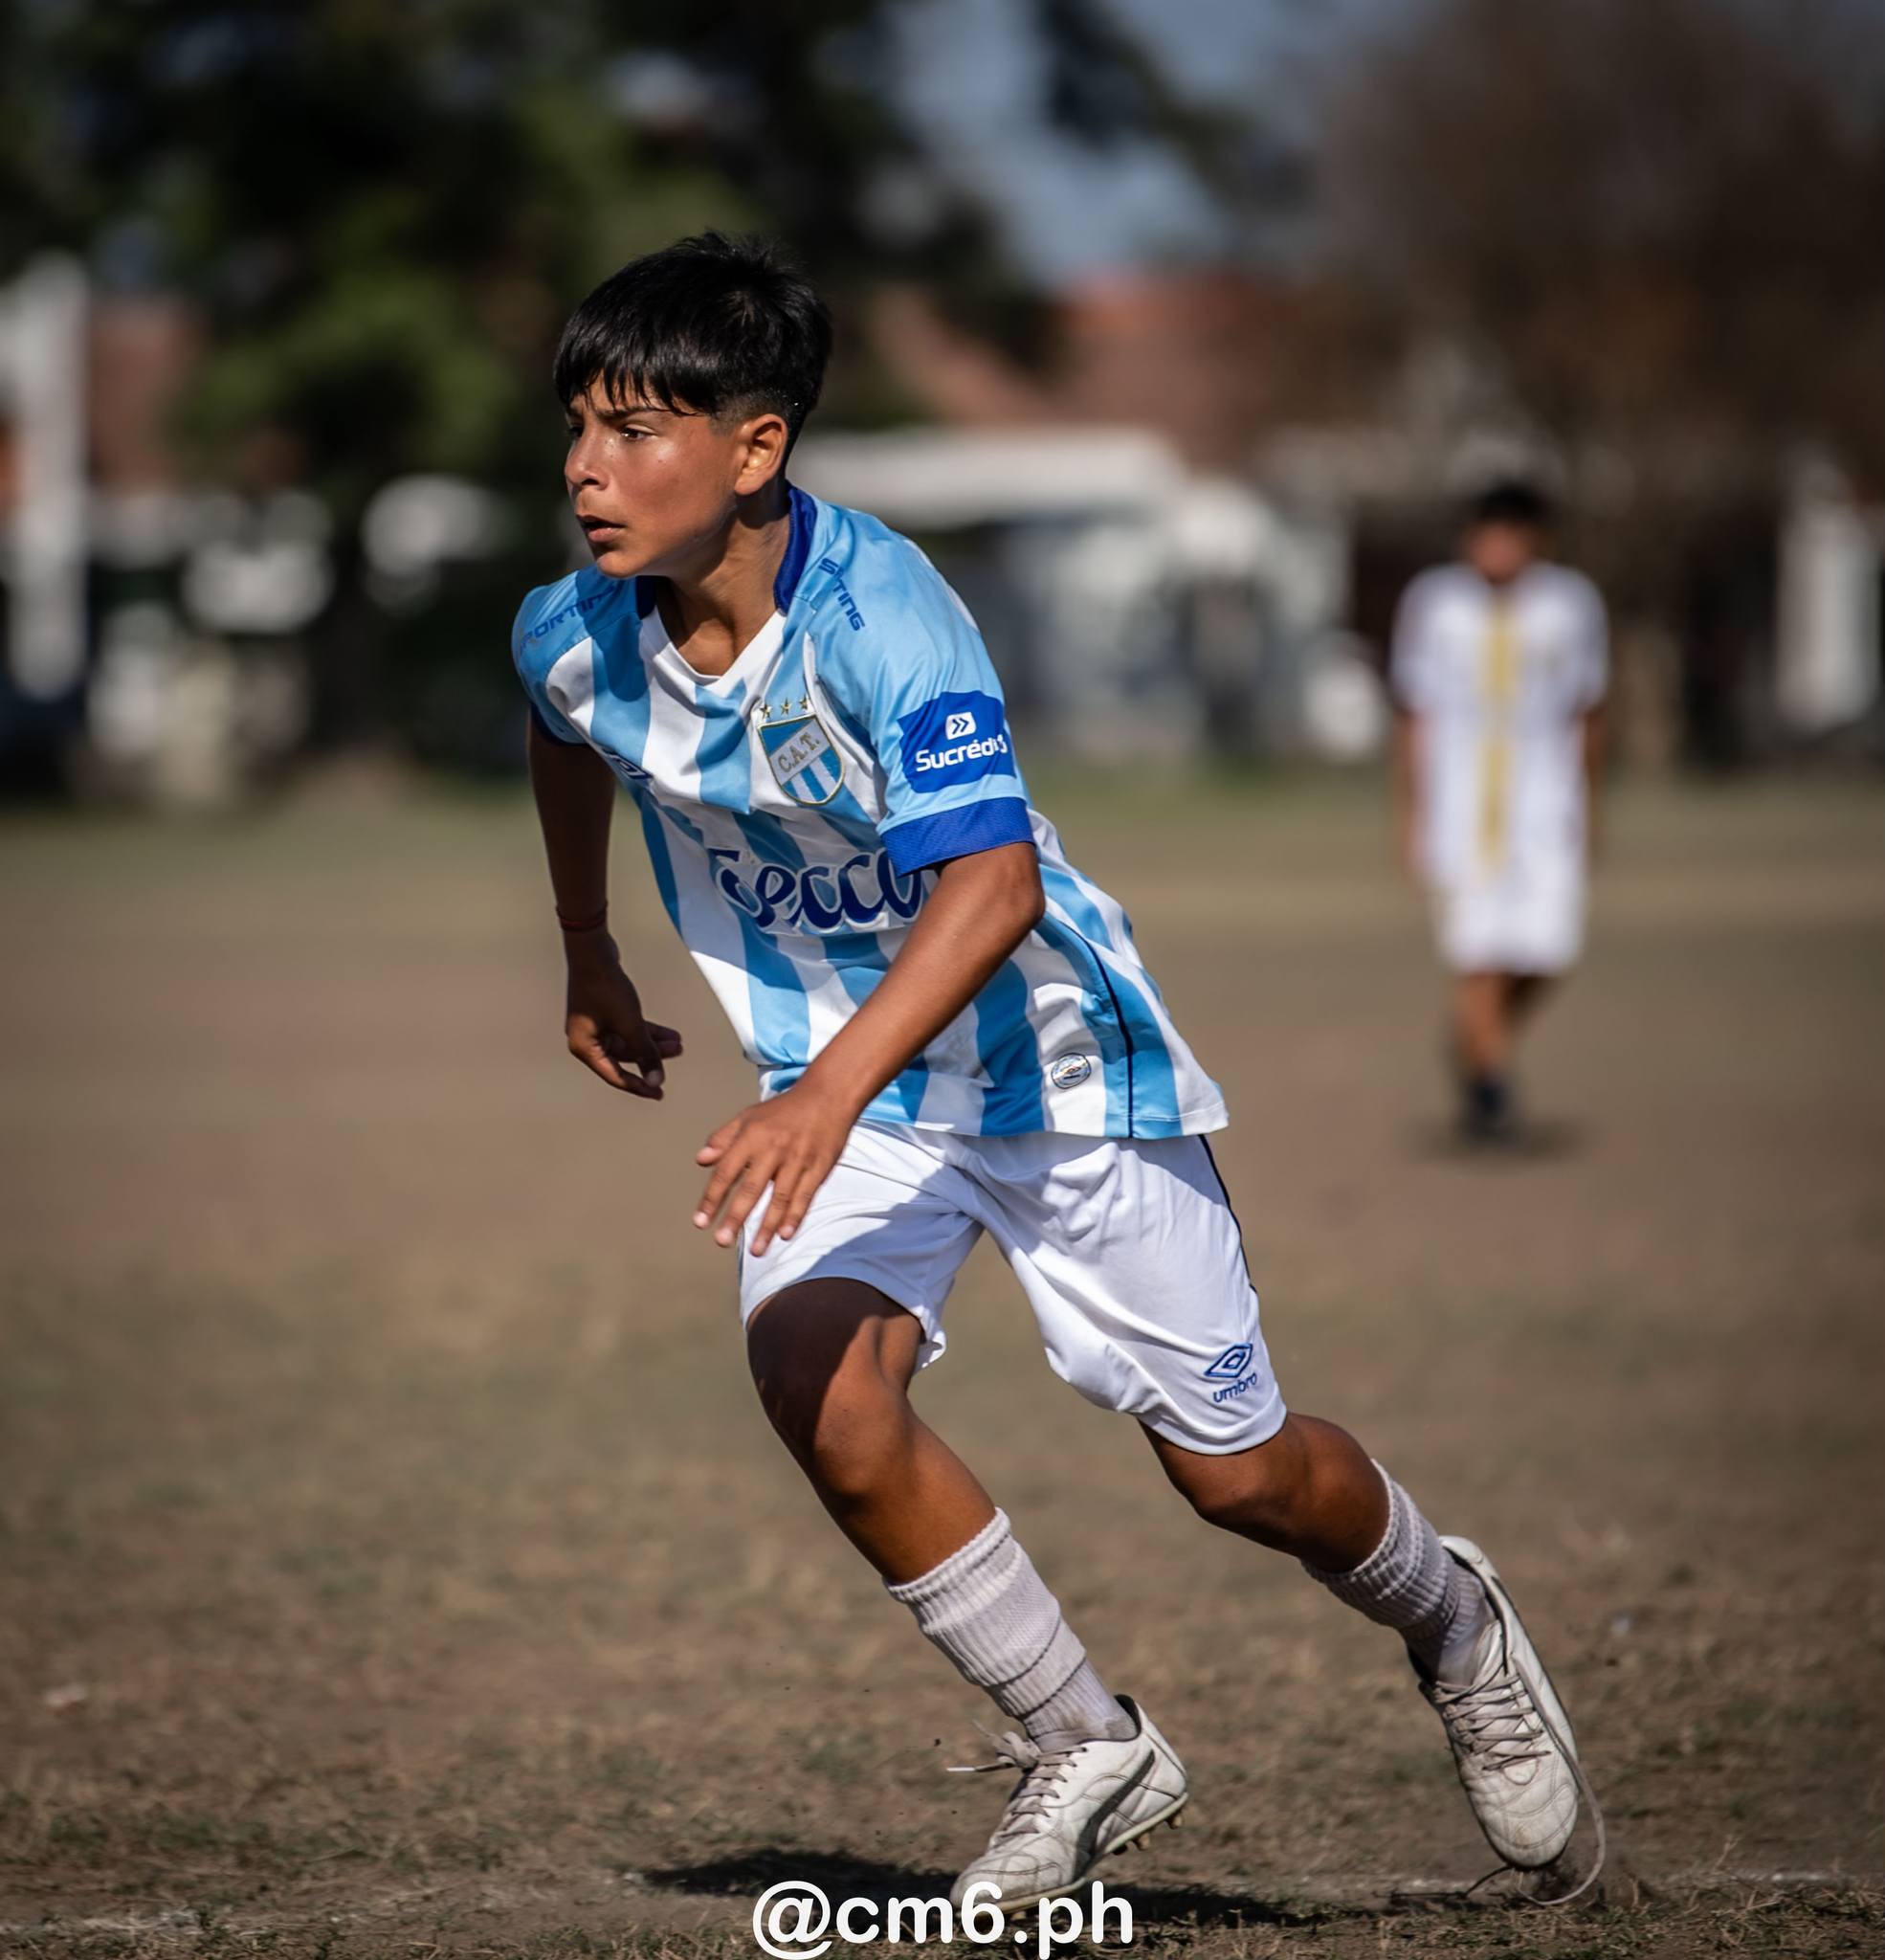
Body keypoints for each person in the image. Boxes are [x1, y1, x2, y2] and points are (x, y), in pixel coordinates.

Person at [514, 235, 1595, 1911]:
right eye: (579, 424)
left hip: (1056, 1072)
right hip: (852, 1081)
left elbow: (994, 886)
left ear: (756, 448)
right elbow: (567, 722)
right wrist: (589, 942)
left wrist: (821, 1096)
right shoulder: (571, 628)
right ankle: (1083, 1740)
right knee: (821, 1386)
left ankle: (1453, 1617)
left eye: (640, 427)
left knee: (1237, 1473)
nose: (592, 466)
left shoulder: (886, 617)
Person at [1390, 483, 1608, 1143]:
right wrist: (1411, 810)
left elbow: (1588, 708)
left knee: (1548, 948)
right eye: (1488, 531)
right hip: (1462, 803)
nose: (1499, 547)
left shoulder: (1571, 605)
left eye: (1512, 532)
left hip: (1542, 803)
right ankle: (1491, 1087)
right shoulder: (1435, 604)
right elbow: (1413, 710)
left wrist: (1590, 803)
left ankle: (1477, 1040)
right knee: (1477, 949)